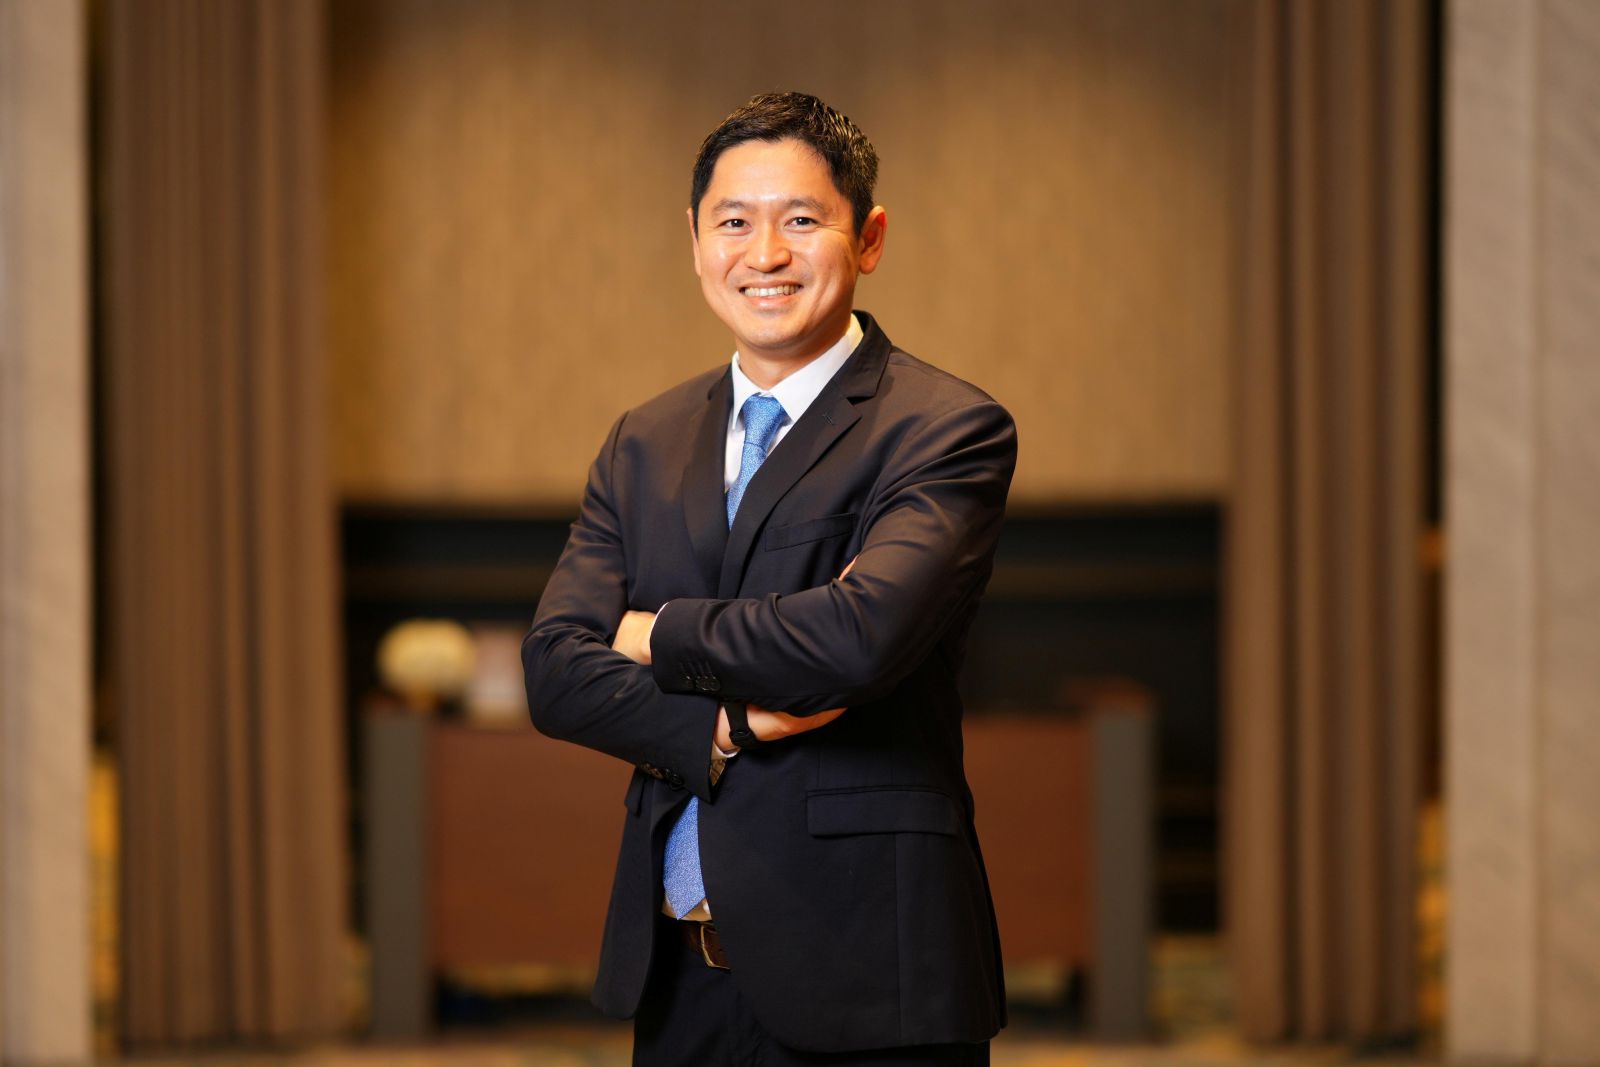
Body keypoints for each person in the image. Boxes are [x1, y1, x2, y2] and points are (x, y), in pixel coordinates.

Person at [523, 91, 1016, 1067]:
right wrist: (724, 726)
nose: (765, 254)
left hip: (871, 966)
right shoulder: (644, 439)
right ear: (695, 240)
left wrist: (653, 631)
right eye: (734, 223)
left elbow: (857, 638)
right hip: (680, 969)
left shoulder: (944, 428)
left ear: (868, 237)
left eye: (800, 221)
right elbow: (554, 668)